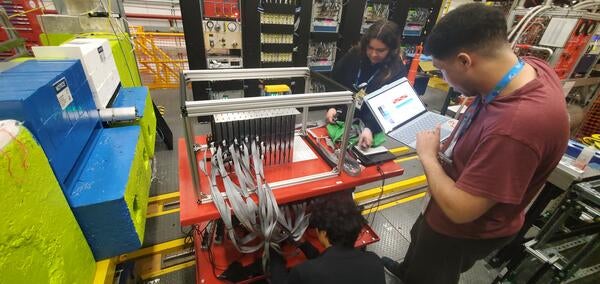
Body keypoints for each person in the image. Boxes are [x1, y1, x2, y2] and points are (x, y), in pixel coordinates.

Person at [381, 4, 569, 284]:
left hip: (460, 230)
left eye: (443, 70)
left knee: (430, 273)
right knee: (419, 241)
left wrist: (428, 157)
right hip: (445, 202)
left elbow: (460, 210)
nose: (443, 79)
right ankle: (407, 269)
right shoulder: (530, 69)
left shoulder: (515, 128)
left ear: (465, 61)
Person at [269, 192, 385, 284]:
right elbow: (333, 267)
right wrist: (303, 244)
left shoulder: (304, 273)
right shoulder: (374, 261)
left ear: (323, 233)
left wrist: (274, 253)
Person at [326, 20, 408, 149]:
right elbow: (335, 80)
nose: (374, 54)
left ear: (391, 50)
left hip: (372, 123)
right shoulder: (354, 55)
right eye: (370, 48)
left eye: (380, 50)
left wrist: (370, 128)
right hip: (343, 116)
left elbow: (391, 105)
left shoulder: (396, 69)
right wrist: (332, 106)